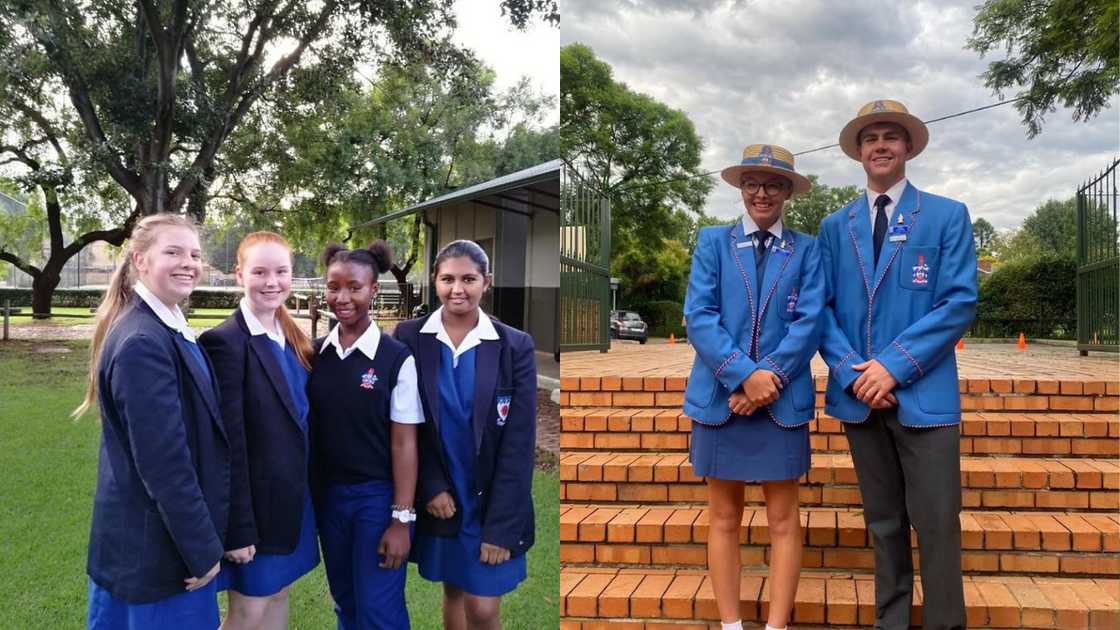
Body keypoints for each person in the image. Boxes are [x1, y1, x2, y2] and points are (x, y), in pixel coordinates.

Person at [817, 99, 977, 630]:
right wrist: (855, 373)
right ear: (859, 153)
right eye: (870, 138)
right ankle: (891, 621)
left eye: (891, 136)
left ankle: (944, 624)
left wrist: (893, 367)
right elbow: (821, 310)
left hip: (925, 399)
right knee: (884, 523)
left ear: (908, 147)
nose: (880, 145)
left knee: (936, 524)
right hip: (861, 397)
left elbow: (957, 303)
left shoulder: (946, 215)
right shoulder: (834, 227)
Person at [683, 145, 824, 630]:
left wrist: (771, 379)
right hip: (722, 400)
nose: (761, 193)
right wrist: (743, 375)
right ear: (741, 189)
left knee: (784, 520)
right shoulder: (712, 243)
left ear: (788, 191)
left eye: (773, 184)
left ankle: (777, 625)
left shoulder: (808, 249)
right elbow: (700, 317)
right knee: (723, 517)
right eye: (752, 184)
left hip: (781, 403)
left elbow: (810, 321)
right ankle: (731, 625)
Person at [75, 214, 229, 629]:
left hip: (152, 551)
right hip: (157, 561)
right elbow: (165, 465)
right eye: (173, 252)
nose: (189, 263)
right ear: (140, 261)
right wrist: (203, 550)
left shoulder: (168, 328)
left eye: (195, 254)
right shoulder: (143, 341)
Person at [394, 240, 536, 630]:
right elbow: (407, 425)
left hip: (490, 501)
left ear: (486, 282)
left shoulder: (514, 346)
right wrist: (430, 486)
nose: (458, 289)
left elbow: (518, 444)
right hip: (442, 496)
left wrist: (501, 528)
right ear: (434, 282)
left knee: (484, 608)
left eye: (469, 279)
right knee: (454, 589)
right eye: (448, 279)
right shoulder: (408, 338)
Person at [199, 232, 320, 630]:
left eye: (281, 271)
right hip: (254, 512)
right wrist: (238, 527)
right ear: (239, 275)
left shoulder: (292, 337)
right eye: (260, 272)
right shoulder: (224, 343)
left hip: (292, 503)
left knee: (279, 593)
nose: (272, 282)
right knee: (248, 611)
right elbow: (226, 445)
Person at [308, 241, 423, 629]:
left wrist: (401, 520)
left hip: (377, 500)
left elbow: (404, 442)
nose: (342, 297)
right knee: (346, 602)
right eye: (333, 286)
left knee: (379, 610)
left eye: (354, 287)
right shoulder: (313, 354)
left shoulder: (395, 359)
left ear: (374, 290)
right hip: (329, 499)